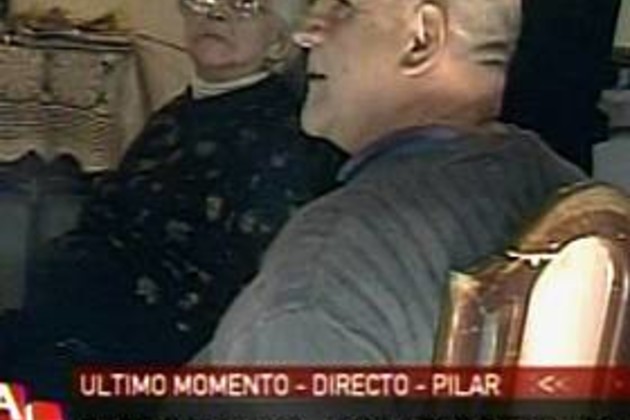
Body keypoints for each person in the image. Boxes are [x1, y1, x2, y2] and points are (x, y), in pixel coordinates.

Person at [194, 0, 588, 366]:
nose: (305, 34)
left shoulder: (330, 268)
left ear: (421, 39)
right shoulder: (561, 184)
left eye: (340, 8)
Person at [1, 0, 344, 398]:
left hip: (141, 367)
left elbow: (234, 294)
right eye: (203, 1)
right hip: (71, 329)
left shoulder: (285, 138)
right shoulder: (182, 111)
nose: (216, 14)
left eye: (245, 6)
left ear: (280, 42)